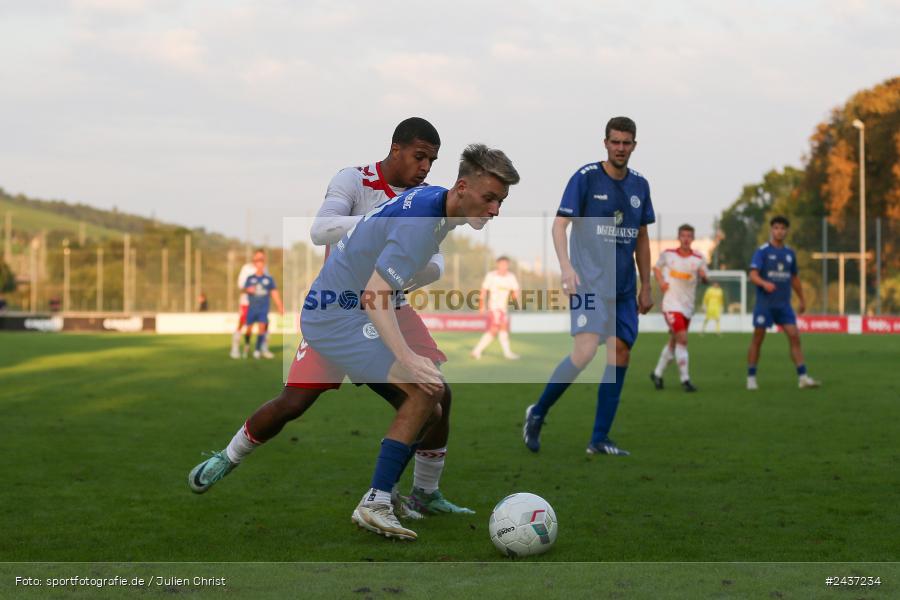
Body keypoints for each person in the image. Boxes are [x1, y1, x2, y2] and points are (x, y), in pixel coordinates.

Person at [189, 118, 471, 518]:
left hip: (389, 306)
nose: (426, 168)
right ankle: (228, 456)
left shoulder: (427, 199)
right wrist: (386, 225)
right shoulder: (354, 180)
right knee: (293, 402)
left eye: (432, 160)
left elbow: (437, 265)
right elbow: (321, 230)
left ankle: (420, 492)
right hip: (337, 307)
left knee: (436, 393)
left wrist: (400, 269)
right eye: (419, 156)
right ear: (396, 149)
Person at [301, 144, 519, 540]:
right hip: (335, 316)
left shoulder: (436, 202)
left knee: (430, 406)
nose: (494, 210)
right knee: (424, 388)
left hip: (345, 308)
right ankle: (375, 501)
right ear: (461, 187)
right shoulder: (422, 221)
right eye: (489, 198)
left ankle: (390, 494)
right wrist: (405, 356)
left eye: (500, 201)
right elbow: (375, 295)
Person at [523, 116, 654, 457]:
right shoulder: (585, 178)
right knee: (584, 353)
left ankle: (599, 439)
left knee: (620, 353)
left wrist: (647, 285)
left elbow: (642, 238)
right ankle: (537, 412)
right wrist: (566, 268)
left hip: (624, 289)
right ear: (606, 143)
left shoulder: (640, 185)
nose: (620, 148)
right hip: (589, 284)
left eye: (626, 142)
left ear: (634, 146)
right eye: (615, 141)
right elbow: (559, 226)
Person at [746, 216, 820, 390]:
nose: (779, 231)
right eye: (776, 228)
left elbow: (794, 278)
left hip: (783, 305)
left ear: (786, 231)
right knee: (758, 338)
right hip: (765, 304)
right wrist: (764, 283)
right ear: (771, 230)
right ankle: (751, 378)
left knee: (794, 336)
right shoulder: (762, 251)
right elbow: (753, 274)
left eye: (782, 228)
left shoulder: (789, 253)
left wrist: (802, 299)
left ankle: (803, 377)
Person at [649, 224, 708, 392]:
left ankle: (657, 373)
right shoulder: (668, 255)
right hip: (671, 305)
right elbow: (656, 268)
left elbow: (705, 277)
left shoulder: (698, 258)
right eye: (683, 235)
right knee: (682, 339)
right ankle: (685, 380)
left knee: (674, 342)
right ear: (679, 238)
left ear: (693, 239)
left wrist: (704, 277)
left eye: (689, 236)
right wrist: (660, 282)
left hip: (687, 307)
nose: (686, 239)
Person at [470, 256, 521, 360]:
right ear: (497, 264)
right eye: (501, 264)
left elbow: (516, 289)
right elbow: (483, 291)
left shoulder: (511, 277)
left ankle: (477, 351)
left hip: (503, 308)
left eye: (505, 264)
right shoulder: (491, 276)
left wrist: (515, 298)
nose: (503, 266)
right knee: (499, 328)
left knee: (497, 330)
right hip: (494, 307)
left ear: (508, 265)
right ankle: (506, 353)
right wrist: (481, 305)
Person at [241, 250, 284, 359]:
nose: (259, 263)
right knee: (249, 329)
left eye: (261, 261)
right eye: (257, 261)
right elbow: (243, 290)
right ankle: (246, 345)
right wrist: (247, 290)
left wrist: (280, 306)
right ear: (254, 263)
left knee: (262, 328)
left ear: (263, 263)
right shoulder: (250, 278)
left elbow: (274, 293)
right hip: (252, 309)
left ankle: (257, 350)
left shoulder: (268, 279)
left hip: (263, 309)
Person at [230, 258, 259, 359]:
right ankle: (235, 348)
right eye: (258, 258)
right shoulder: (246, 269)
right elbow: (241, 287)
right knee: (242, 323)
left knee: (256, 326)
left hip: (258, 303)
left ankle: (251, 349)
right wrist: (249, 289)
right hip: (246, 302)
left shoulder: (264, 269)